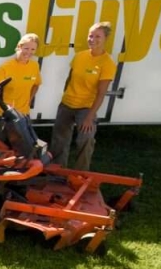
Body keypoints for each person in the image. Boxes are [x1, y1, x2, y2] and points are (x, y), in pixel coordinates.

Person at [49, 22, 116, 171]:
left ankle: (79, 175)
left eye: (97, 36)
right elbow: (69, 79)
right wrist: (64, 97)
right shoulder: (79, 56)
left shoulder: (107, 63)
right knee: (59, 140)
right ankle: (57, 172)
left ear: (105, 38)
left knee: (85, 140)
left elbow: (101, 93)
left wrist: (89, 117)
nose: (93, 39)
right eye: (90, 35)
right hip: (67, 104)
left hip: (86, 108)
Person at [0, 33, 42, 137]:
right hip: (1, 115)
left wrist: (29, 100)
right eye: (26, 48)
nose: (29, 52)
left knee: (22, 148)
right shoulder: (6, 67)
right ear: (19, 47)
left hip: (22, 115)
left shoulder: (34, 66)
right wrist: (5, 107)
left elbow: (36, 84)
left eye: (33, 49)